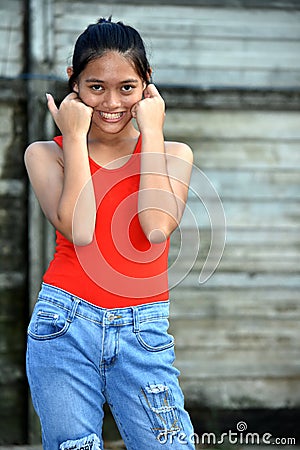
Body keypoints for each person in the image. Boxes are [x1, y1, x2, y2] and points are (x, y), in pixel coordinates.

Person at [25, 17, 195, 450]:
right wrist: (75, 138)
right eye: (96, 86)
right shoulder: (47, 154)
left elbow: (156, 227)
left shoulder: (173, 153)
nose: (112, 102)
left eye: (127, 87)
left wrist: (152, 131)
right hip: (63, 325)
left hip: (144, 328)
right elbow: (80, 230)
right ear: (74, 84)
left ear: (147, 85)